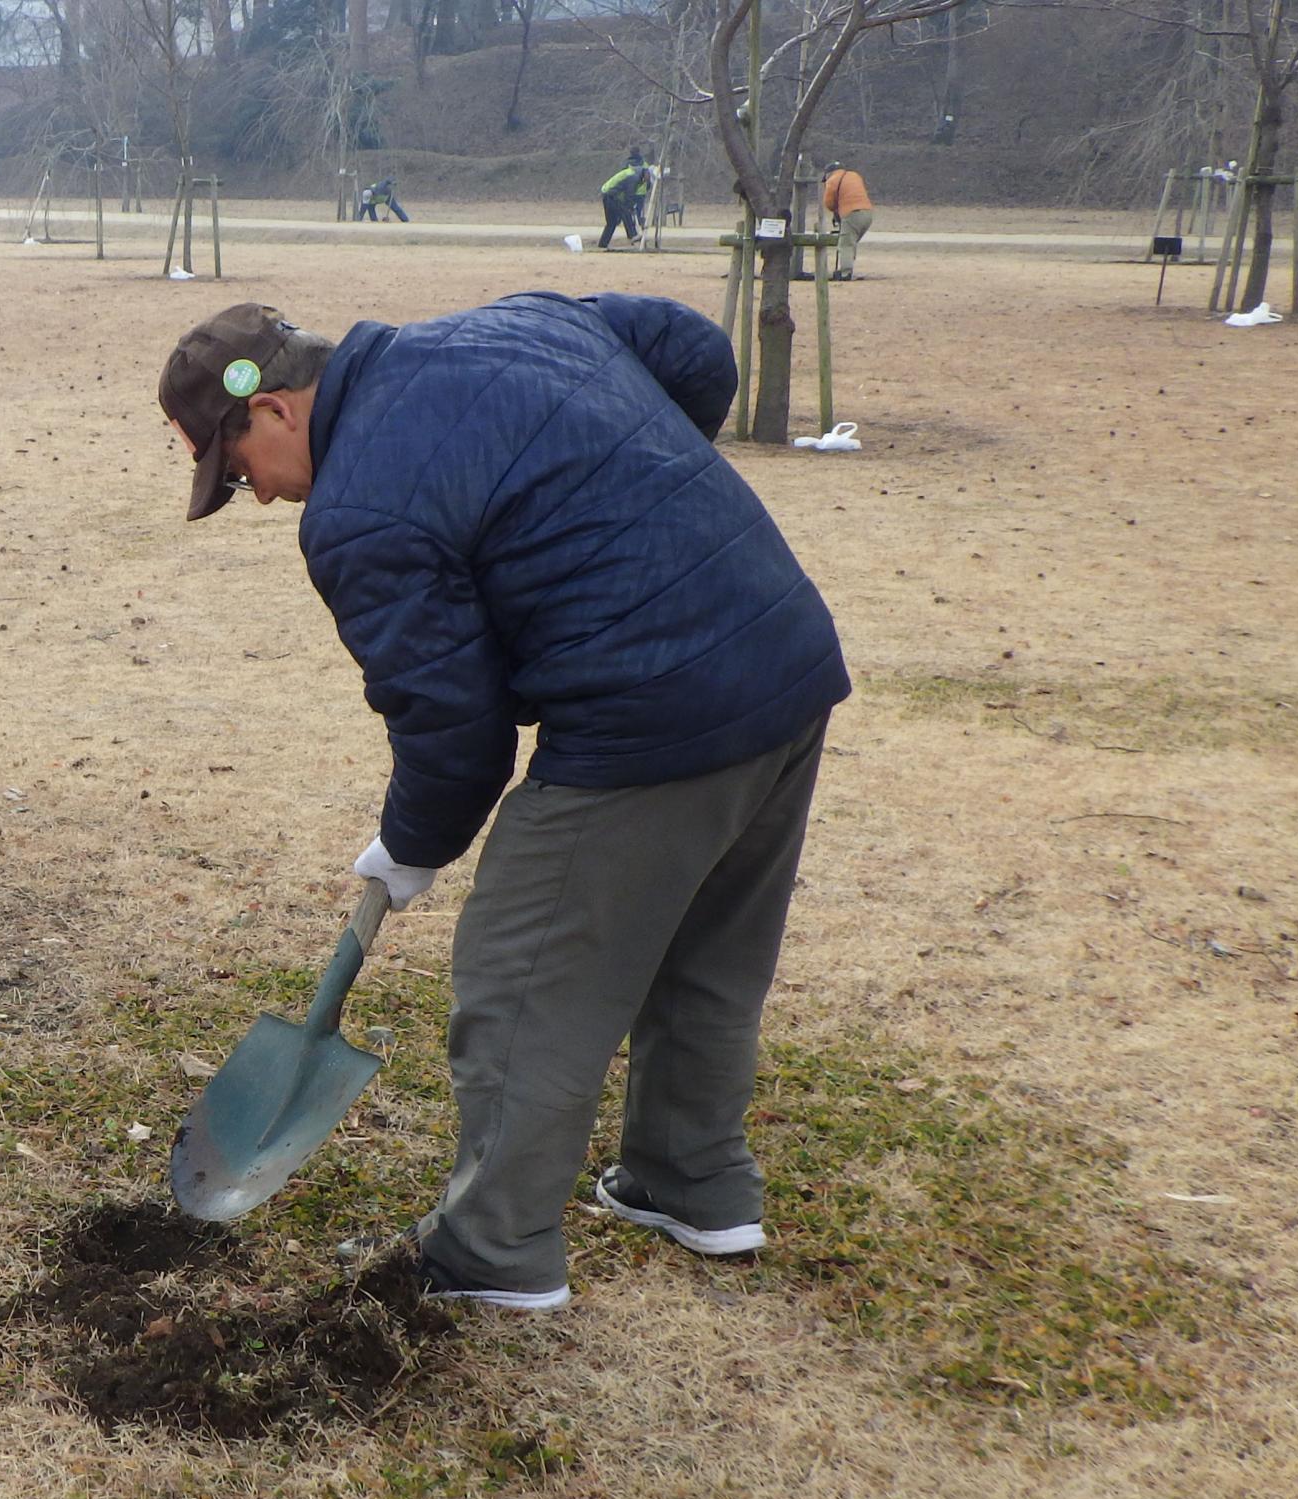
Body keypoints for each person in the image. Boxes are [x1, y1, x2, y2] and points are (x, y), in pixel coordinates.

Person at [156, 300, 848, 1310]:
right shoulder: (515, 325)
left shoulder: (358, 511)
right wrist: (627, 494)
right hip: (780, 655)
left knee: (519, 979)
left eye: (238, 471)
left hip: (647, 711)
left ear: (273, 409)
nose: (255, 497)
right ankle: (690, 1179)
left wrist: (411, 843)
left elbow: (454, 724)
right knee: (706, 949)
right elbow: (692, 348)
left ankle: (491, 1250)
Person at [821, 160, 874, 280]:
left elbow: (829, 202)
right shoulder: (854, 175)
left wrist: (836, 212)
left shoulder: (832, 180)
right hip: (868, 213)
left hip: (852, 213)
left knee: (845, 244)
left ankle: (845, 273)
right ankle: (848, 267)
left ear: (828, 173)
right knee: (851, 242)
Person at [597, 160, 650, 249]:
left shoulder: (635, 175)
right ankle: (632, 235)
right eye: (649, 176)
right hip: (611, 195)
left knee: (612, 222)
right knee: (625, 212)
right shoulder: (633, 177)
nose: (648, 179)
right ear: (645, 172)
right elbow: (629, 194)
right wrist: (630, 206)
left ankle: (603, 244)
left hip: (608, 194)